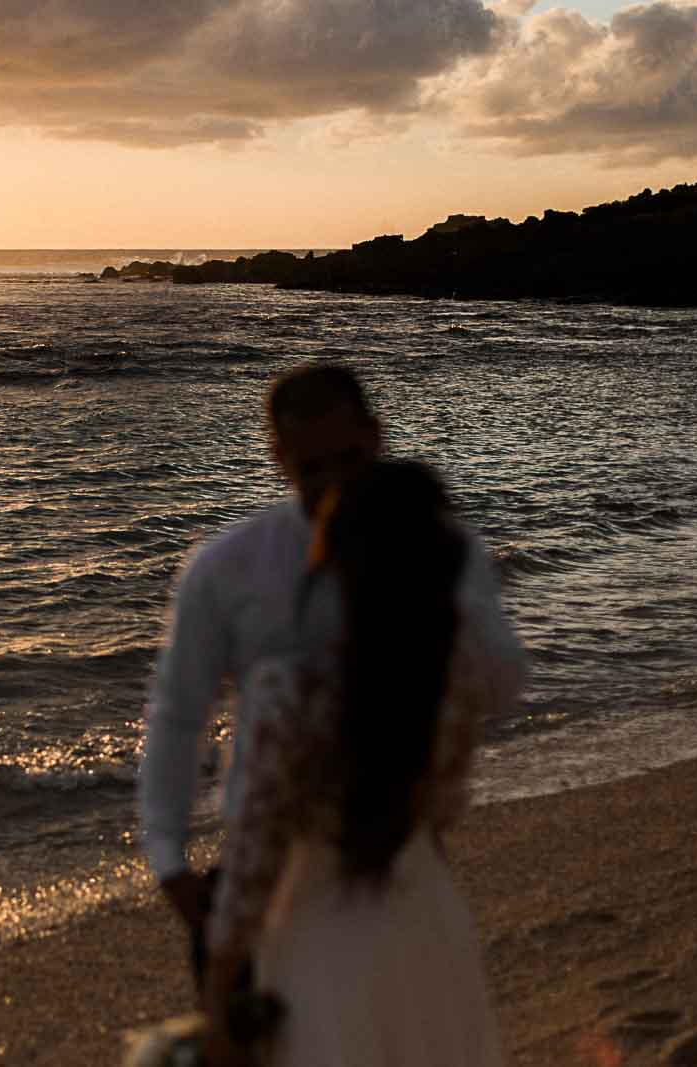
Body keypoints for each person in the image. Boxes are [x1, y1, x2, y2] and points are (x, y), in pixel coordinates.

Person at [137, 362, 522, 986]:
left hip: (407, 853)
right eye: (312, 468)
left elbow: (501, 687)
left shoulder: (442, 552)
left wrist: (434, 597)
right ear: (279, 457)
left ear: (377, 436)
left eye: (350, 459)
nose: (334, 485)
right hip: (271, 871)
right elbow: (179, 713)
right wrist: (167, 855)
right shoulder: (228, 568)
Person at [200, 459, 522, 1066]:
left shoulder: (286, 689)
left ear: (329, 555)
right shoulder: (454, 676)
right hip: (425, 913)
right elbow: (444, 807)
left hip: (320, 931)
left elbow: (254, 851)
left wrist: (218, 991)